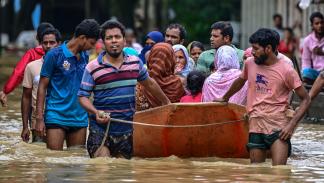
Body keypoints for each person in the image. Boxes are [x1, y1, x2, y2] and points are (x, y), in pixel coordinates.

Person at [216, 28, 310, 166]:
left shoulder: (287, 70)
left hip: (279, 129)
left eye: (255, 48)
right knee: (256, 172)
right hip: (255, 125)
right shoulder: (250, 63)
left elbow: (306, 99)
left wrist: (291, 125)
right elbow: (241, 81)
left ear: (268, 48)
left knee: (279, 173)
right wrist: (225, 97)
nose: (252, 52)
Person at [78, 20, 170, 159]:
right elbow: (82, 96)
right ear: (103, 43)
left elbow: (150, 84)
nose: (114, 41)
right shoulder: (92, 67)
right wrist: (95, 112)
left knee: (123, 171)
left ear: (124, 41)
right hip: (101, 129)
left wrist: (167, 104)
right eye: (109, 38)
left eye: (117, 37)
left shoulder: (135, 62)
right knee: (103, 166)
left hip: (127, 130)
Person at [35, 19, 100, 150]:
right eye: (92, 43)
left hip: (79, 118)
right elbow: (42, 87)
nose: (92, 47)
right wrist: (39, 119)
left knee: (76, 162)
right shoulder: (54, 55)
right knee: (54, 162)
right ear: (82, 38)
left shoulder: (85, 57)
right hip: (56, 116)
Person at [21, 28, 61, 143]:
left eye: (52, 42)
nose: (48, 46)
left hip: (61, 119)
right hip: (37, 122)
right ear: (40, 44)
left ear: (59, 44)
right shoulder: (31, 67)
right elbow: (26, 97)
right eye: (45, 43)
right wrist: (25, 127)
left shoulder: (65, 66)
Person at [0, 22, 54, 107]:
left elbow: (18, 73)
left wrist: (6, 91)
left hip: (36, 100)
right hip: (56, 102)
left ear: (36, 37)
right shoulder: (60, 54)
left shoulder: (32, 54)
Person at [136, 43, 185, 111]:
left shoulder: (142, 82)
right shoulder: (178, 83)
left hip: (142, 121)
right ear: (171, 60)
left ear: (150, 58)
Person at [301, 12, 324, 85]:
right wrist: (305, 75)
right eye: (317, 23)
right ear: (312, 26)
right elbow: (306, 61)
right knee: (306, 72)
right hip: (316, 73)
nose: (320, 25)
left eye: (322, 23)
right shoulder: (307, 40)